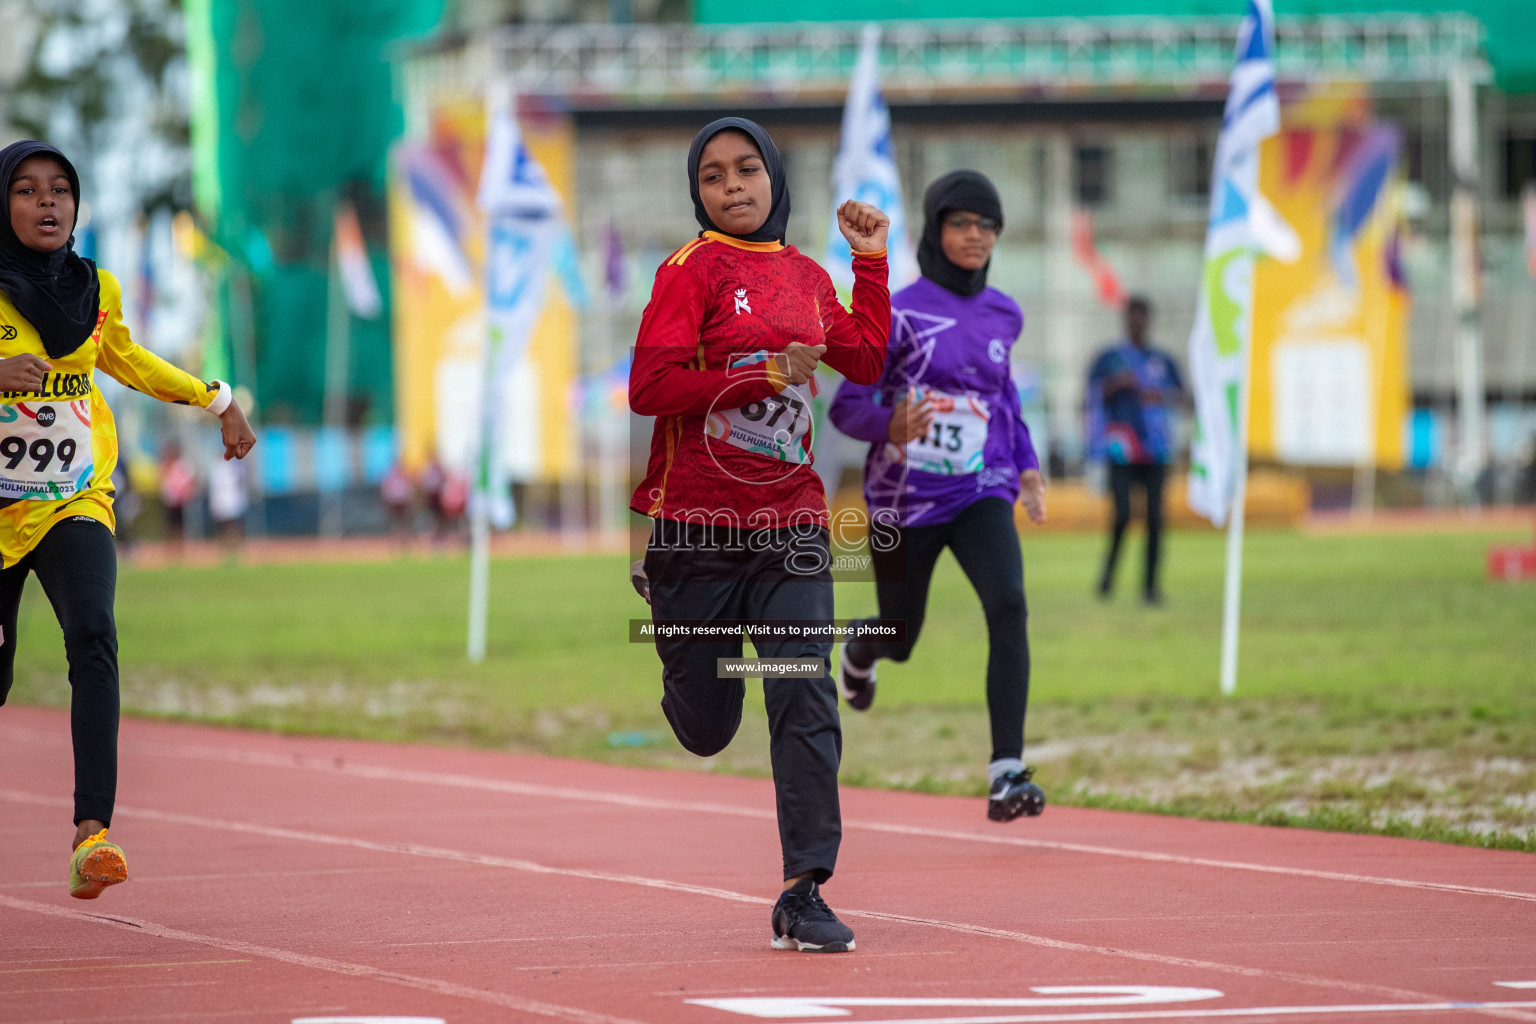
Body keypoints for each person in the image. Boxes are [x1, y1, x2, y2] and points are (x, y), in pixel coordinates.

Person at [629, 117, 889, 953]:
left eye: (747, 170)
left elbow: (871, 361)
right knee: (708, 726)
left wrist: (872, 262)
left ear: (776, 177)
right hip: (697, 531)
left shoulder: (810, 278)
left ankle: (802, 889)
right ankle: (672, 633)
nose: (733, 186)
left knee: (801, 687)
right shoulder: (690, 271)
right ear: (697, 191)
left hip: (792, 526)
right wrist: (761, 374)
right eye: (713, 176)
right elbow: (650, 386)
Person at [0, 141, 257, 898]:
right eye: (26, 190)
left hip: (74, 496)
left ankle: (93, 838)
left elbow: (132, 360)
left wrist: (218, 399)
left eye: (61, 192)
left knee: (94, 636)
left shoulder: (96, 289)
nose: (48, 204)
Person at [829, 170, 1048, 824]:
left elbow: (1001, 398)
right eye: (962, 223)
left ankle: (1007, 772)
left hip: (980, 488)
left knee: (1009, 603)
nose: (976, 236)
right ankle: (861, 651)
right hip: (904, 499)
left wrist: (1028, 467)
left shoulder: (1005, 314)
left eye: (987, 225)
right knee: (901, 635)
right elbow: (844, 403)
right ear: (935, 230)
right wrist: (890, 424)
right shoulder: (897, 312)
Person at [1086, 296, 1187, 604]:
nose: (1138, 324)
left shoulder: (1163, 359)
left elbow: (1183, 397)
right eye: (1133, 318)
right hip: (1122, 449)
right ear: (1125, 320)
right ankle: (1107, 579)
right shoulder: (1109, 358)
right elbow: (1091, 395)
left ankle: (1150, 588)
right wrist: (1119, 384)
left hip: (1156, 449)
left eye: (1143, 318)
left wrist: (1162, 396)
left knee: (1156, 518)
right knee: (1123, 515)